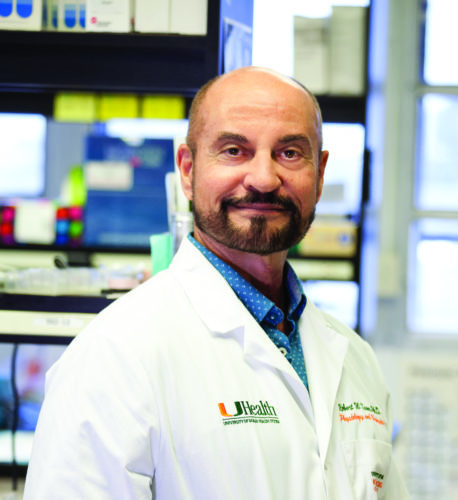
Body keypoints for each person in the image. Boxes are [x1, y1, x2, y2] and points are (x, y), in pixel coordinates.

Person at [24, 66, 409, 499]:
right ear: (187, 171)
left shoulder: (355, 358)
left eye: (289, 153)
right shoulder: (115, 356)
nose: (264, 179)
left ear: (319, 176)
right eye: (233, 150)